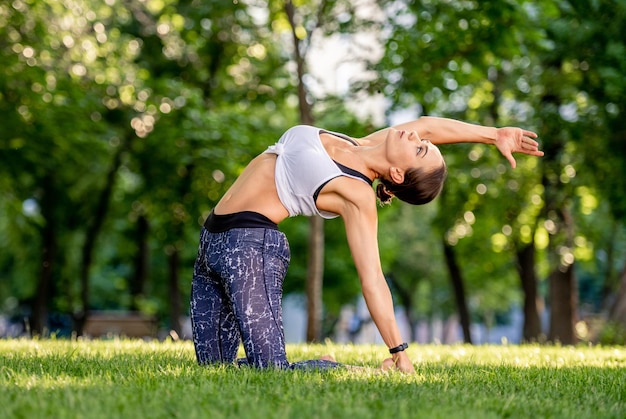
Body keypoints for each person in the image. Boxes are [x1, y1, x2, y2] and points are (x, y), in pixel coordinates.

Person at [190, 116, 544, 372]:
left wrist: (398, 349)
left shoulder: (356, 193)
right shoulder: (360, 143)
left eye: (420, 149)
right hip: (211, 242)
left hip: (250, 249)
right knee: (213, 368)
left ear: (398, 176)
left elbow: (373, 278)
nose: (418, 137)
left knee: (270, 372)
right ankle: (317, 365)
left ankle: (347, 371)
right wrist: (493, 134)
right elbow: (433, 126)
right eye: (424, 144)